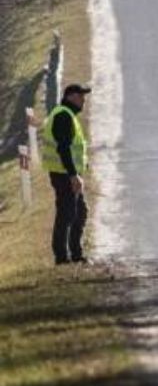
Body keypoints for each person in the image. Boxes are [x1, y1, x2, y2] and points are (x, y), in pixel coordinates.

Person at [39, 83, 91, 265]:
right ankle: (62, 257)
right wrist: (73, 175)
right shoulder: (63, 116)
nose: (83, 100)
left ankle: (75, 253)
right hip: (63, 174)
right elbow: (63, 149)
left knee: (78, 212)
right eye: (80, 96)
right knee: (67, 213)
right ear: (70, 97)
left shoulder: (67, 115)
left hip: (65, 173)